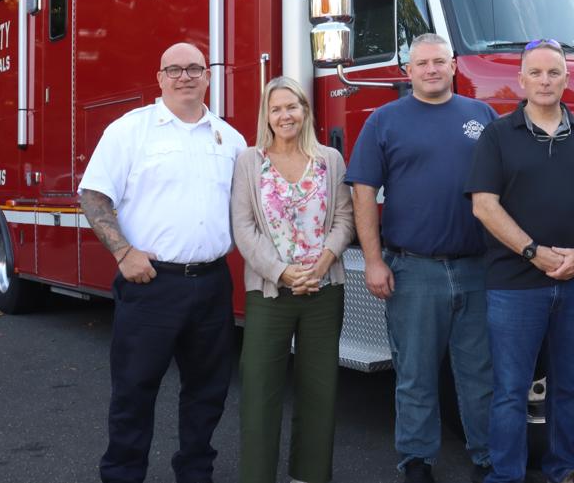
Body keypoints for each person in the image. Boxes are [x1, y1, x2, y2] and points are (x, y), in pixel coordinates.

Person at [79, 42, 246, 483]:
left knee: (208, 391)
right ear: (159, 77)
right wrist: (122, 252)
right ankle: (122, 474)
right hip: (151, 283)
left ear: (208, 76)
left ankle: (195, 473)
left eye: (194, 68)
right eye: (174, 69)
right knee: (135, 390)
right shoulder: (130, 130)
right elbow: (94, 193)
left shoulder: (230, 139)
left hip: (211, 283)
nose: (184, 77)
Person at [345, 33, 497, 483]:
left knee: (479, 373)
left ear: (453, 66)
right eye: (421, 63)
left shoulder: (482, 116)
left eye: (439, 61)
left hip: (475, 266)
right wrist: (374, 261)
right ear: (407, 72)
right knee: (415, 375)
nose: (431, 69)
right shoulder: (384, 121)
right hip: (412, 268)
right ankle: (416, 461)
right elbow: (363, 193)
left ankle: (487, 458)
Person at [466, 39, 574, 483]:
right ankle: (506, 474)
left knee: (568, 386)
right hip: (514, 284)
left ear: (567, 80)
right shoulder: (497, 134)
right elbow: (484, 205)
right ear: (522, 80)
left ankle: (563, 467)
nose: (545, 80)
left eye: (554, 73)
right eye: (536, 72)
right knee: (511, 390)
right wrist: (533, 251)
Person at [231, 76, 355, 483]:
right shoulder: (250, 161)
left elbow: (344, 219)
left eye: (292, 107)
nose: (285, 115)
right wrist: (282, 272)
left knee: (320, 391)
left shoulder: (329, 160)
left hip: (323, 289)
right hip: (270, 292)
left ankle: (310, 475)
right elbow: (243, 228)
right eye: (276, 108)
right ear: (266, 115)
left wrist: (321, 265)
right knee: (260, 390)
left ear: (306, 111)